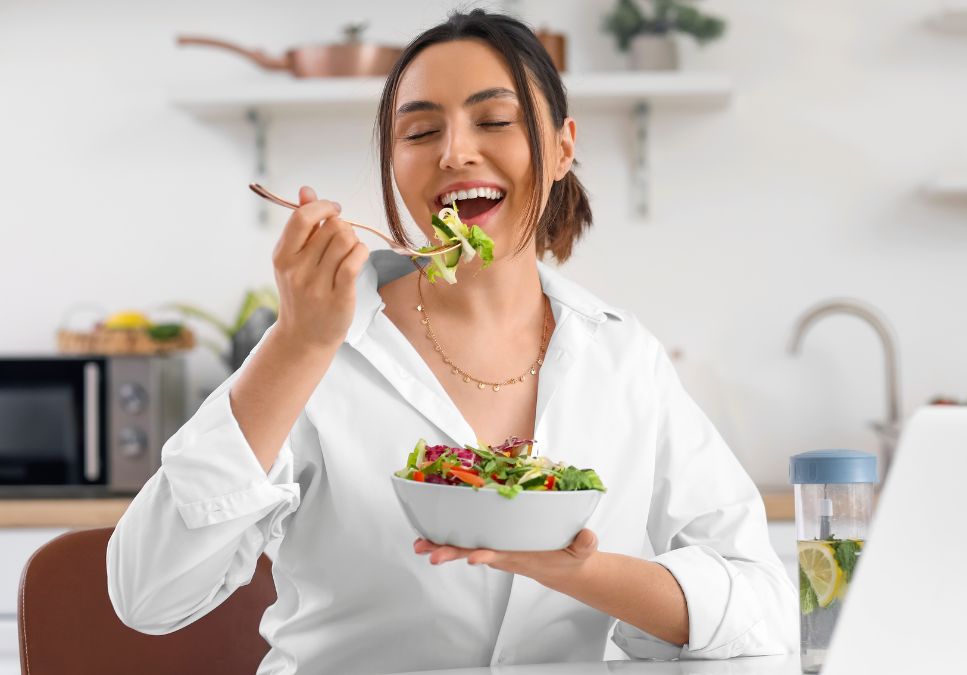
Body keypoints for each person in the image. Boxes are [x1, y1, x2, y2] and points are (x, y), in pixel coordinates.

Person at [107, 9, 798, 674]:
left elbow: (764, 607)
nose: (454, 151)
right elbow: (147, 593)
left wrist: (588, 573)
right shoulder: (319, 349)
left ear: (562, 147)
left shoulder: (623, 359)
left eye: (494, 121)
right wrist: (296, 347)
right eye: (418, 133)